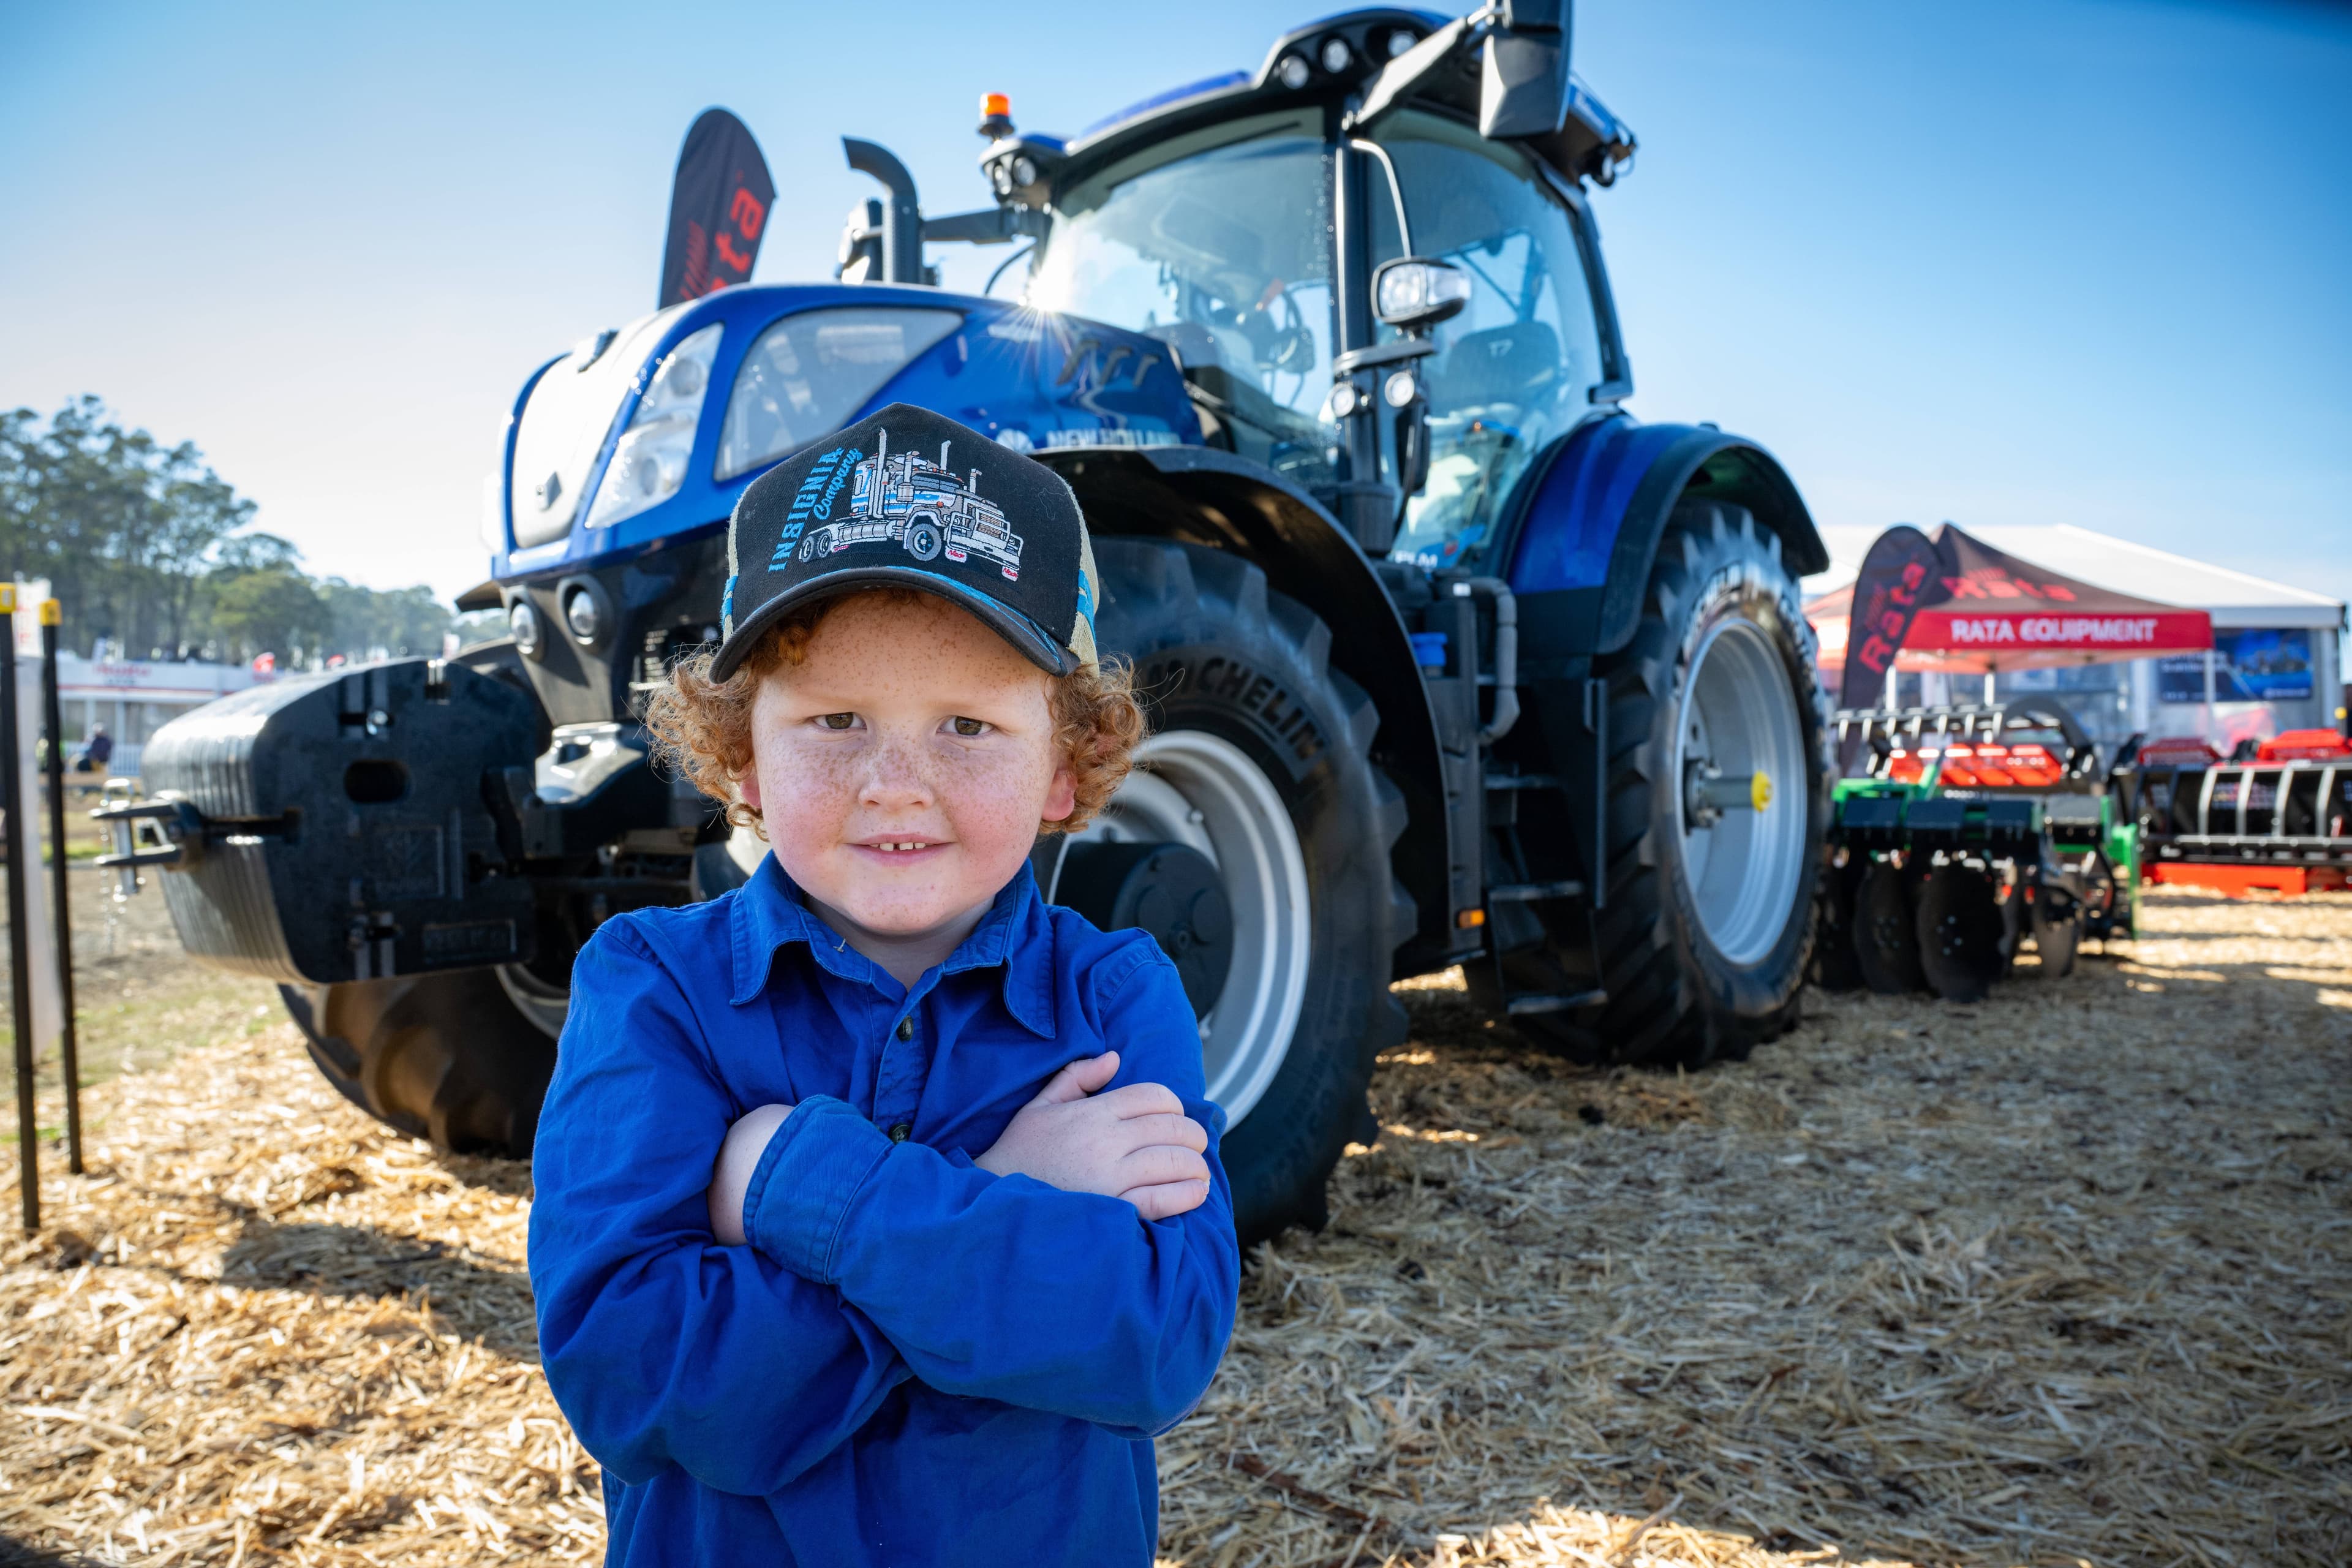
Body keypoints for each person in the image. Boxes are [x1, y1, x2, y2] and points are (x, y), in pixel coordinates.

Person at [528, 404, 1241, 1567]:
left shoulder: (1113, 998)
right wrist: (1005, 1186)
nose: (896, 783)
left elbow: (1155, 1342)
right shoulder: (655, 989)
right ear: (743, 755)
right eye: (837, 720)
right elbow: (640, 1379)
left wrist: (794, 1186)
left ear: (1064, 766)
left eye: (968, 725)